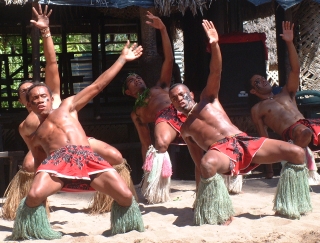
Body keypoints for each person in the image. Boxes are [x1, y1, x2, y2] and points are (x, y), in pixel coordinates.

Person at [169, 20, 311, 225]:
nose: (180, 99)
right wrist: (201, 197)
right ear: (173, 105)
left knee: (296, 153)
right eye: (175, 99)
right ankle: (218, 212)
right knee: (207, 164)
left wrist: (215, 45)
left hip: (243, 142)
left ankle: (290, 204)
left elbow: (215, 71)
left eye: (182, 94)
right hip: (220, 153)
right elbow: (199, 166)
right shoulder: (186, 130)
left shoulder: (208, 99)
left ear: (190, 93)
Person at [1, 5, 136, 220]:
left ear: (47, 93)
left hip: (81, 145)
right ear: (24, 102)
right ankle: (35, 213)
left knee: (116, 156)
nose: (37, 97)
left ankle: (112, 204)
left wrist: (45, 32)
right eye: (29, 94)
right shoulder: (27, 126)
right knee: (28, 167)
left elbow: (86, 80)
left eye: (40, 93)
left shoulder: (61, 102)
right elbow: (36, 157)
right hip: (54, 154)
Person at [123, 12, 200, 204]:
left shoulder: (160, 87)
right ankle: (156, 187)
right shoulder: (137, 113)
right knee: (159, 145)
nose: (137, 79)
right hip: (165, 120)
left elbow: (168, 60)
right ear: (128, 92)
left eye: (137, 76)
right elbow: (145, 143)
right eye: (132, 81)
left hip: (185, 110)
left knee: (213, 132)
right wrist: (147, 172)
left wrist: (164, 30)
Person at [249, 21, 320, 183]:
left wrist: (289, 42)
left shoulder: (285, 92)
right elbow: (263, 137)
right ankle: (295, 162)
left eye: (262, 77)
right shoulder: (258, 108)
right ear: (253, 91)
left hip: (308, 124)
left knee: (307, 129)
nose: (262, 80)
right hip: (292, 132)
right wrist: (269, 170)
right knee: (304, 132)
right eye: (257, 82)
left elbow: (295, 70)